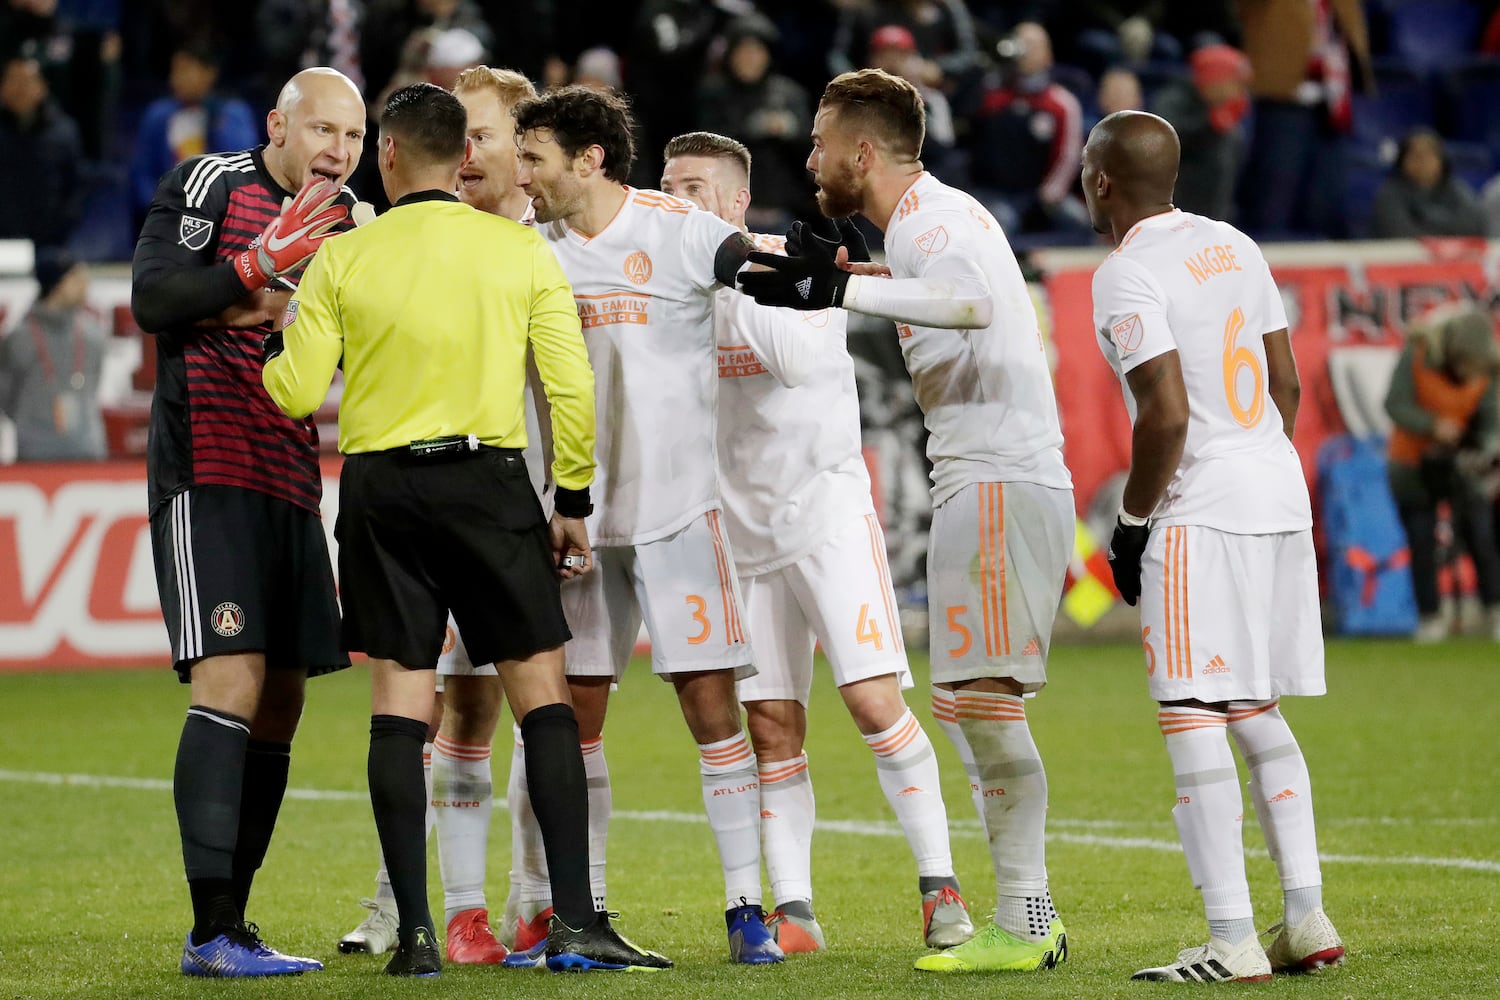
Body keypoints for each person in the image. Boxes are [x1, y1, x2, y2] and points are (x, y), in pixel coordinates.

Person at [262, 80, 669, 977]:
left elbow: (295, 393)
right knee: (544, 701)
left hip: (382, 492)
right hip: (488, 486)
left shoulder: (345, 257)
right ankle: (574, 924)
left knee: (402, 707)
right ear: (467, 159)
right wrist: (570, 504)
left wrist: (272, 345)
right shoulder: (518, 254)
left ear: (390, 156)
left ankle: (413, 935)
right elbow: (570, 390)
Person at [739, 67, 1073, 974]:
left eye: (817, 143)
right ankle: (1022, 914)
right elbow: (942, 289)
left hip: (1000, 478)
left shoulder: (935, 215)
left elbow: (975, 305)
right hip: (983, 477)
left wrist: (843, 293)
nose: (807, 160)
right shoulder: (922, 228)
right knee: (968, 702)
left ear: (861, 151)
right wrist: (857, 275)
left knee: (986, 703)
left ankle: (1027, 918)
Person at [659, 130, 972, 953]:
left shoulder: (792, 267)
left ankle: (941, 886)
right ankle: (794, 909)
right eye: (665, 188)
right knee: (770, 726)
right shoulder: (668, 289)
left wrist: (730, 282)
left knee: (873, 703)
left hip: (824, 519)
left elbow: (794, 362)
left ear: (732, 203)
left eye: (693, 190)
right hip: (738, 532)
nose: (674, 203)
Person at [512, 84, 784, 965]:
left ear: (588, 159)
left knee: (711, 708)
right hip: (575, 524)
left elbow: (753, 263)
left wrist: (812, 270)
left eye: (535, 159)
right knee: (573, 719)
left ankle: (747, 908)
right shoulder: (527, 249)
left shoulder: (676, 230)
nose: (524, 177)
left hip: (677, 515)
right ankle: (583, 913)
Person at [1081, 109, 1345, 982]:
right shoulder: (1234, 244)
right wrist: (1257, 459)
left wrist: (1132, 522)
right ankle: (1305, 917)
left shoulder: (1124, 274)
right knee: (1255, 708)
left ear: (1103, 183)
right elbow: (1287, 380)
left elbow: (1166, 415)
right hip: (1276, 492)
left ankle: (1232, 939)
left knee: (1191, 711)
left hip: (1202, 512)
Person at [130, 66, 368, 978]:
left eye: (351, 138)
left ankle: (237, 922)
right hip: (208, 465)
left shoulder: (352, 223)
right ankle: (212, 930)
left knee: (283, 699)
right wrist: (255, 269)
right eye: (322, 131)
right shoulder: (213, 184)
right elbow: (156, 300)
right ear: (278, 124)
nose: (337, 153)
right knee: (229, 678)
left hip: (292, 476)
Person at [332, 64, 544, 964]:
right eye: (465, 137)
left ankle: (536, 898)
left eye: (488, 137)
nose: (470, 154)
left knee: (540, 712)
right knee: (443, 708)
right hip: (450, 499)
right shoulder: (399, 242)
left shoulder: (556, 244)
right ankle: (410, 904)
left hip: (529, 507)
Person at [1384, 304, 1500, 642]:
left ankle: (1494, 609)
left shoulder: (1487, 370)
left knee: (1480, 535)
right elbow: (1394, 404)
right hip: (1412, 464)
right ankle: (1430, 618)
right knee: (1422, 540)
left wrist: (1485, 448)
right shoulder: (1418, 355)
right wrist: (1434, 426)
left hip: (1463, 465)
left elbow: (1492, 419)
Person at [965, 22, 1087, 238]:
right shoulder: (990, 93)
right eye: (1020, 42)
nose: (1025, 50)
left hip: (1040, 194)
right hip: (993, 193)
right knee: (1001, 222)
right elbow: (967, 126)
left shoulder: (1060, 103)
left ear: (1048, 55)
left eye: (1032, 45)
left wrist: (1048, 197)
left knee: (1082, 222)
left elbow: (1069, 156)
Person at [129, 41, 258, 232]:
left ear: (209, 73)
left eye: (185, 70)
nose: (176, 79)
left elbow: (244, 170)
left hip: (223, 219)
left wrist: (213, 120)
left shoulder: (232, 114)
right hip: (169, 216)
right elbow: (142, 174)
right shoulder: (158, 115)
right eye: (174, 70)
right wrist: (164, 207)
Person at [0, 249, 108, 461]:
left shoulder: (93, 335)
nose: (85, 283)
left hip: (88, 453)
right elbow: (5, 397)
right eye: (76, 277)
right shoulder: (19, 339)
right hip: (34, 456)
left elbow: (93, 387)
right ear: (57, 284)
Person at [1151, 44, 1252, 222]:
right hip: (1172, 214)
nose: (1239, 92)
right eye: (1235, 83)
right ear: (1215, 79)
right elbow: (1162, 143)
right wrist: (1208, 126)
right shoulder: (1175, 99)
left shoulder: (1225, 114)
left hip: (1212, 216)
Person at [0, 51, 82, 251]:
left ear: (42, 87)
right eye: (13, 80)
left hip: (49, 248)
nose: (20, 89)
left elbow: (75, 189)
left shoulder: (63, 133)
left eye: (27, 81)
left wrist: (57, 233)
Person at [1371, 128, 1486, 240]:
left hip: (1455, 257)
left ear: (1442, 160)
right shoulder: (1389, 194)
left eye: (1430, 155)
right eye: (1416, 156)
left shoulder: (1457, 189)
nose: (1423, 162)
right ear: (1402, 161)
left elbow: (1473, 226)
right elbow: (1399, 233)